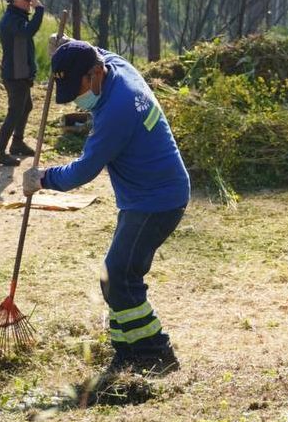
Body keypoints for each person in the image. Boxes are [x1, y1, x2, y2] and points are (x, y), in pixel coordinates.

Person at [22, 40, 191, 376]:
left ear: (96, 73)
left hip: (157, 201)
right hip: (144, 197)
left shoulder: (117, 110)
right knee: (114, 277)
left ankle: (156, 353)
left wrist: (42, 179)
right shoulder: (115, 65)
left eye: (78, 90)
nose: (77, 100)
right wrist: (65, 45)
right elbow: (91, 50)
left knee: (119, 277)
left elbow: (83, 171)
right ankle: (127, 351)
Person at [0, 0, 45, 167]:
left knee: (26, 106)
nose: (30, 2)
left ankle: (17, 143)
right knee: (14, 112)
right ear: (15, 1)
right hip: (15, 75)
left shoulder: (16, 17)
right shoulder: (11, 21)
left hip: (20, 73)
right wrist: (39, 10)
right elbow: (28, 32)